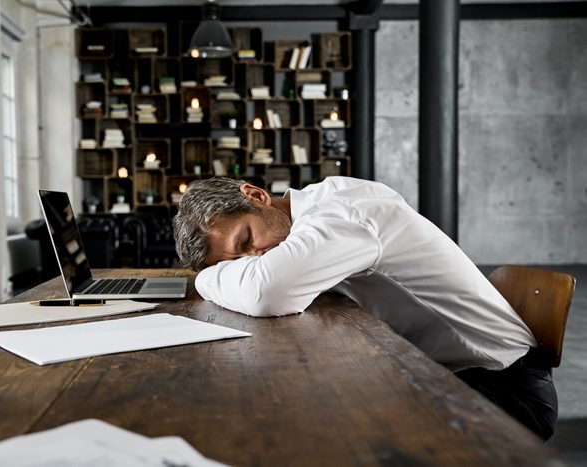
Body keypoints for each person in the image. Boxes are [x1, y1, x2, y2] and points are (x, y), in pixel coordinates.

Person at [172, 176, 557, 440]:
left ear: (255, 195)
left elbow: (268, 292)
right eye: (235, 261)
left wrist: (207, 279)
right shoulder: (310, 216)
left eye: (246, 241)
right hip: (444, 372)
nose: (254, 257)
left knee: (318, 429)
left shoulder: (342, 211)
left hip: (501, 388)